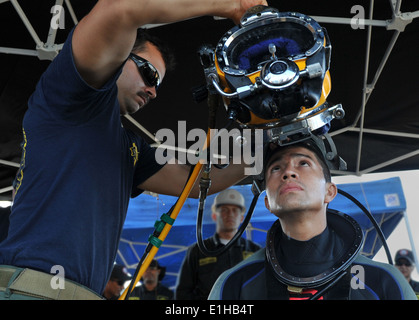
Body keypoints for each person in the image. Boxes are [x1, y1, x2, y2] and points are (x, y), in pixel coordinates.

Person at [0, 0, 267, 300]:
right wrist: (229, 5)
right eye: (150, 75)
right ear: (117, 56)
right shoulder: (69, 95)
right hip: (32, 289)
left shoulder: (129, 146)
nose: (153, 91)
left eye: (158, 86)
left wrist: (264, 147)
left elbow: (194, 183)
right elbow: (121, 9)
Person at [208, 140, 417, 300]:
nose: (289, 172)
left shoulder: (384, 282)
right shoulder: (233, 284)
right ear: (268, 203)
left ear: (330, 192)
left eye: (303, 163)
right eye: (276, 168)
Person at [176, 188, 260, 300]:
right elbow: (183, 293)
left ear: (242, 218)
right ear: (215, 216)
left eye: (235, 210)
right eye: (224, 210)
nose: (230, 214)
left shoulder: (255, 251)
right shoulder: (198, 251)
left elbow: (263, 289)